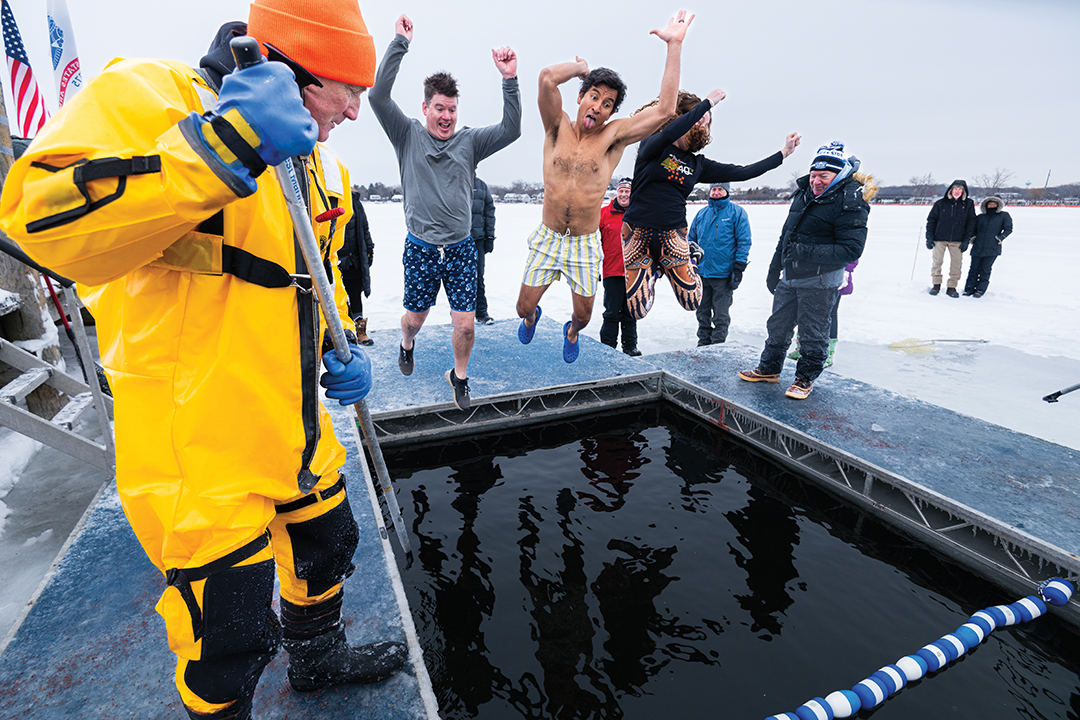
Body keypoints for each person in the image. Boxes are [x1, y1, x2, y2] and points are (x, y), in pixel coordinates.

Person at [0, 2, 409, 718]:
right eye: (345, 91)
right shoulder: (152, 98)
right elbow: (37, 219)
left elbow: (314, 275)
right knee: (228, 627)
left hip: (292, 425)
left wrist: (342, 344)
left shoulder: (318, 166)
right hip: (198, 442)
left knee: (327, 543)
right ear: (295, 71)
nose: (352, 110)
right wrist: (221, 146)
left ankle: (316, 658)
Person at [515, 11, 694, 364]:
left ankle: (570, 332)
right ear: (581, 95)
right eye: (594, 96)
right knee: (523, 306)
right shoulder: (556, 127)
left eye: (607, 104)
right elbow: (547, 79)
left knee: (583, 317)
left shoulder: (613, 138)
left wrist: (673, 45)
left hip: (583, 242)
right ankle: (532, 317)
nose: (597, 107)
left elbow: (665, 110)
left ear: (611, 112)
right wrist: (581, 68)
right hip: (549, 237)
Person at [369, 15, 520, 411]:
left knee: (465, 324)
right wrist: (400, 42)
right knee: (414, 319)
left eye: (451, 109)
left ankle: (460, 375)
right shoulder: (407, 135)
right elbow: (377, 97)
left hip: (460, 248)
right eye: (439, 108)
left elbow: (511, 129)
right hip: (420, 247)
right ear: (425, 107)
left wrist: (509, 79)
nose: (446, 116)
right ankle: (407, 343)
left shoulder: (470, 142)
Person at [622, 90, 799, 320]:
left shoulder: (698, 164)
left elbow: (744, 172)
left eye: (706, 124)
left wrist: (783, 153)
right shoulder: (653, 146)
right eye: (699, 120)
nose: (703, 126)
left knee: (692, 301)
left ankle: (691, 257)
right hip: (637, 231)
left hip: (672, 233)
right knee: (637, 311)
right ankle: (652, 270)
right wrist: (707, 103)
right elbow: (670, 133)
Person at [738, 142, 876, 400]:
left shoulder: (851, 200)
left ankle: (804, 378)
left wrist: (807, 252)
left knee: (813, 334)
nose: (816, 181)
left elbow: (851, 249)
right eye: (813, 175)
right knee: (777, 326)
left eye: (823, 176)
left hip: (821, 281)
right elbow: (786, 235)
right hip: (790, 276)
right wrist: (774, 267)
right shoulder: (803, 194)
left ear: (839, 174)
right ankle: (769, 368)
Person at [687, 182, 751, 346]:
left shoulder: (737, 213)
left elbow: (744, 242)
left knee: (721, 314)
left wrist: (739, 267)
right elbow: (691, 241)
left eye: (720, 189)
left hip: (723, 274)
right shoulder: (702, 213)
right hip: (701, 274)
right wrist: (691, 264)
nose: (716, 192)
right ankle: (703, 343)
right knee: (702, 312)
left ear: (726, 191)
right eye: (714, 189)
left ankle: (717, 345)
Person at [789, 260, 857, 367]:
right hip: (815, 275)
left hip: (836, 276)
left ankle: (828, 352)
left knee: (830, 313)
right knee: (806, 310)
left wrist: (846, 271)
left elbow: (853, 251)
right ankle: (801, 347)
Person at [599, 178, 639, 355]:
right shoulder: (604, 213)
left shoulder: (640, 212)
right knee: (612, 312)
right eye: (621, 191)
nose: (624, 195)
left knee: (631, 313)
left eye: (627, 192)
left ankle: (630, 347)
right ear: (617, 193)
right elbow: (592, 242)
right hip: (612, 271)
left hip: (635, 272)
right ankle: (607, 348)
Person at [925, 179, 976, 297]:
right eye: (955, 189)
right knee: (937, 262)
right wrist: (929, 237)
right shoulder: (940, 203)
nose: (957, 191)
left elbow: (971, 222)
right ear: (951, 190)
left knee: (956, 264)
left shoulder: (968, 204)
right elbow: (931, 220)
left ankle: (952, 287)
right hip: (939, 238)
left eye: (960, 189)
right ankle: (936, 284)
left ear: (964, 191)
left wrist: (966, 239)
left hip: (958, 240)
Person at [338, 189, 376, 345]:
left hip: (354, 260)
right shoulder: (326, 200)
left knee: (355, 297)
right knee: (337, 299)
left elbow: (364, 229)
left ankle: (361, 333)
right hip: (335, 260)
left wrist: (369, 250)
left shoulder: (355, 203)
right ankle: (343, 333)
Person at [963, 196, 1013, 297]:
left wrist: (1000, 237)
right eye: (990, 204)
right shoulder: (980, 217)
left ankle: (980, 290)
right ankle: (969, 289)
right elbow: (973, 229)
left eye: (994, 204)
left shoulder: (1004, 216)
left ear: (998, 205)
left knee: (985, 269)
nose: (992, 206)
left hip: (992, 247)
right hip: (978, 246)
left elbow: (1008, 229)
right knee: (974, 268)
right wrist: (972, 237)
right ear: (985, 205)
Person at [472, 175, 497, 325]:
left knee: (478, 277)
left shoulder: (481, 185)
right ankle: (458, 313)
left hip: (478, 239)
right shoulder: (452, 180)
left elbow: (489, 212)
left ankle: (481, 313)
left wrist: (489, 237)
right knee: (456, 280)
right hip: (456, 240)